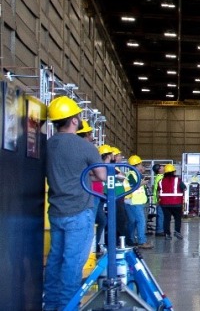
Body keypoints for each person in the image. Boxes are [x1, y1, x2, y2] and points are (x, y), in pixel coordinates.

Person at [43, 96, 105, 311]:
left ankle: (50, 305)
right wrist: (86, 176)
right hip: (79, 211)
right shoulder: (85, 147)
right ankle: (67, 307)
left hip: (57, 211)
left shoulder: (47, 145)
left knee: (55, 261)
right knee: (72, 263)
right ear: (75, 121)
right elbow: (102, 175)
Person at [124, 155, 152, 249]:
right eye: (141, 164)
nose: (142, 166)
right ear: (137, 165)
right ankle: (142, 241)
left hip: (134, 201)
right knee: (141, 221)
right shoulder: (131, 175)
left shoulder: (135, 174)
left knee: (133, 221)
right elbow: (133, 186)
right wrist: (142, 183)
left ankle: (130, 239)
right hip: (135, 201)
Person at [158, 164, 184, 238]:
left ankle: (167, 234)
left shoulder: (161, 181)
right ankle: (177, 232)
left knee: (167, 219)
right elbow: (184, 188)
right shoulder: (178, 180)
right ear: (174, 172)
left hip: (164, 203)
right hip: (177, 203)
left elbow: (158, 190)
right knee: (177, 218)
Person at [151, 163, 165, 237]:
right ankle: (160, 230)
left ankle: (160, 229)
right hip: (160, 199)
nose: (163, 167)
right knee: (161, 215)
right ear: (159, 170)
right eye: (161, 166)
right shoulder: (161, 177)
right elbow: (159, 190)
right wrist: (159, 199)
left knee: (160, 215)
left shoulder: (158, 177)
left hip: (158, 199)